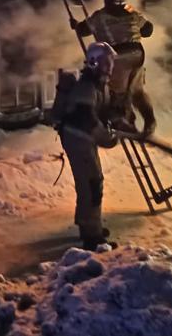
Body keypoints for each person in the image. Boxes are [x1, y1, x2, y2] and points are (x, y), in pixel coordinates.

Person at [53, 42, 119, 250]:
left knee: (92, 181)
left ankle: (88, 225)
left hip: (84, 140)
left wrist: (121, 122)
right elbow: (88, 121)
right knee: (91, 184)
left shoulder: (100, 85)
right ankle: (92, 236)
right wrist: (108, 138)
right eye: (106, 62)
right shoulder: (86, 87)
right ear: (94, 62)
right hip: (77, 140)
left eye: (111, 61)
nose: (110, 66)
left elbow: (104, 112)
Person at [70, 0, 157, 138]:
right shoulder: (131, 11)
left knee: (117, 92)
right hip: (137, 54)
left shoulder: (100, 15)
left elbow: (83, 30)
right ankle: (150, 121)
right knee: (137, 90)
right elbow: (148, 30)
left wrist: (75, 25)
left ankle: (125, 123)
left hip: (117, 56)